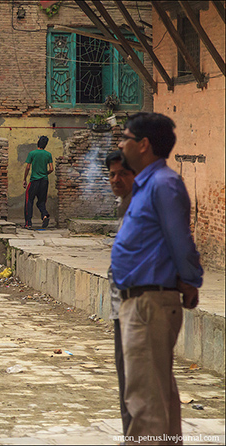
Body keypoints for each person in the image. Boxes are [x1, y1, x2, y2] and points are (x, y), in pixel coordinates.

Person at [112, 113, 203, 444]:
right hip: (140, 300)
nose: (121, 144)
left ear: (143, 144)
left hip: (149, 303)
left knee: (146, 404)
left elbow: (181, 240)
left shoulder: (163, 184)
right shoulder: (146, 184)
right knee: (157, 397)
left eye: (125, 138)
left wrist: (190, 280)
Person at [105, 150, 135, 436]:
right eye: (112, 174)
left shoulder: (145, 208)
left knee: (140, 383)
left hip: (139, 307)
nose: (116, 180)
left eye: (122, 174)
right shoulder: (124, 207)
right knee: (126, 380)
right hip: (121, 306)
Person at [23, 136, 54, 229]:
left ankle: (28, 223)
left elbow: (28, 167)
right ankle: (45, 215)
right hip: (44, 181)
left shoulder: (32, 153)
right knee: (41, 202)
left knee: (29, 201)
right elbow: (51, 169)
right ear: (45, 145)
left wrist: (24, 179)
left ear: (38, 143)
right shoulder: (48, 154)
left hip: (34, 181)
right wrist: (45, 173)